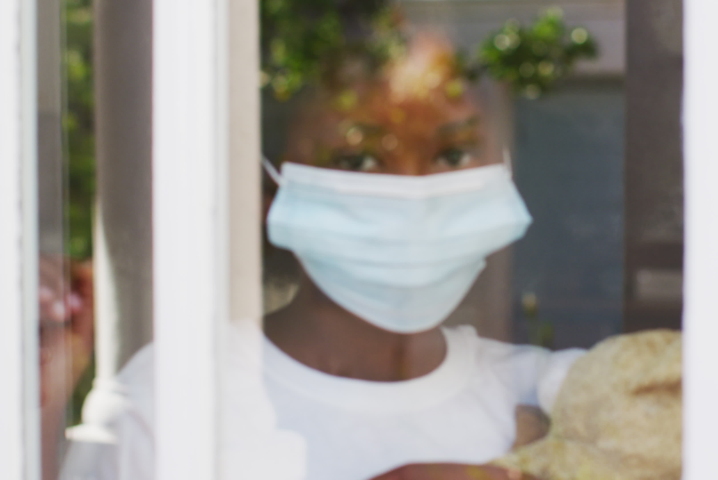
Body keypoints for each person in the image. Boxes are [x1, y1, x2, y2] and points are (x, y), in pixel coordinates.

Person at [51, 32, 586, 480]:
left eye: (452, 154)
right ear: (269, 186)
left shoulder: (561, 401)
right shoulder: (176, 403)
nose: (415, 191)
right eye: (359, 159)